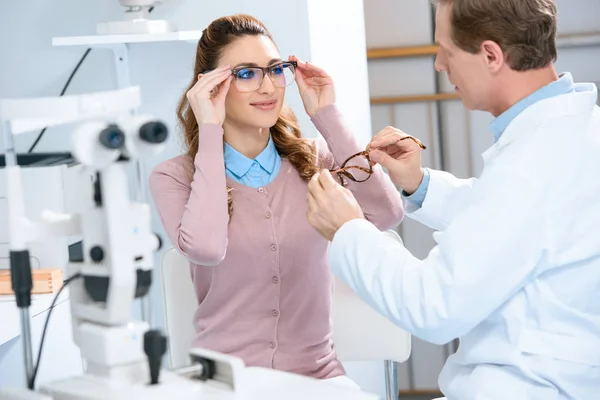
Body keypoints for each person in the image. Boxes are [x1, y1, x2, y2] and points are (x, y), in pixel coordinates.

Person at [306, 0, 600, 399]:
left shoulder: (528, 168)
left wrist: (349, 231)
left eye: (445, 50)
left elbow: (433, 306)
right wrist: (420, 184)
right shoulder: (575, 133)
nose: (439, 65)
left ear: (491, 55)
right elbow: (512, 223)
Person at [149, 14, 404, 389]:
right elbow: (205, 248)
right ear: (209, 87)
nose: (268, 86)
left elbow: (385, 214)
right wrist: (209, 130)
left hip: (319, 379)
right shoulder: (174, 177)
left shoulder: (316, 162)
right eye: (246, 74)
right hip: (226, 384)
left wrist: (327, 115)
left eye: (274, 69)